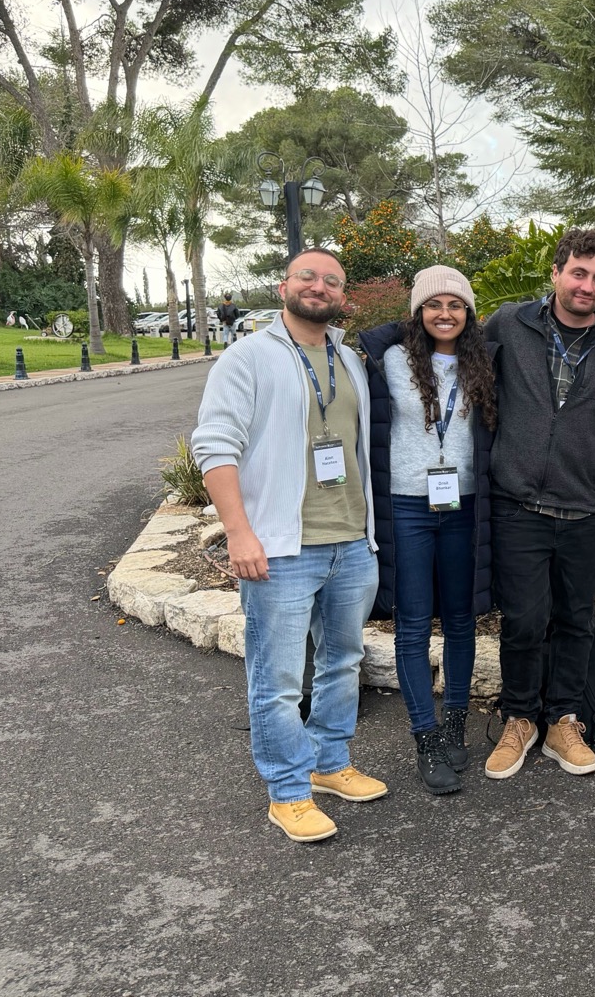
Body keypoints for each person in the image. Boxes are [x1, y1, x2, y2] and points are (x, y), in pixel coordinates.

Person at [192, 247, 385, 843]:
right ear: (283, 287)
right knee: (276, 679)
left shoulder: (348, 359)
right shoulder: (247, 357)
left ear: (342, 296)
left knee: (343, 662)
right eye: (308, 276)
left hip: (351, 540)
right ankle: (287, 790)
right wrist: (239, 532)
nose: (319, 287)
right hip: (282, 546)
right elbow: (214, 445)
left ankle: (330, 762)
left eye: (332, 281)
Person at [482, 228, 595, 780]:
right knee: (523, 621)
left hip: (582, 510)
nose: (587, 286)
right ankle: (520, 718)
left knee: (576, 620)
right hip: (517, 504)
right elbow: (464, 375)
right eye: (578, 273)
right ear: (555, 273)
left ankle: (563, 721)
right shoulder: (508, 324)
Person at [360, 266, 497, 796]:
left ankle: (456, 722)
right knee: (413, 625)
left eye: (456, 305)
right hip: (407, 506)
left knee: (461, 621)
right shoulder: (388, 360)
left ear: (469, 313)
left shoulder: (481, 362)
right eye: (434, 304)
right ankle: (426, 737)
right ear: (417, 312)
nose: (445, 314)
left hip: (464, 505)